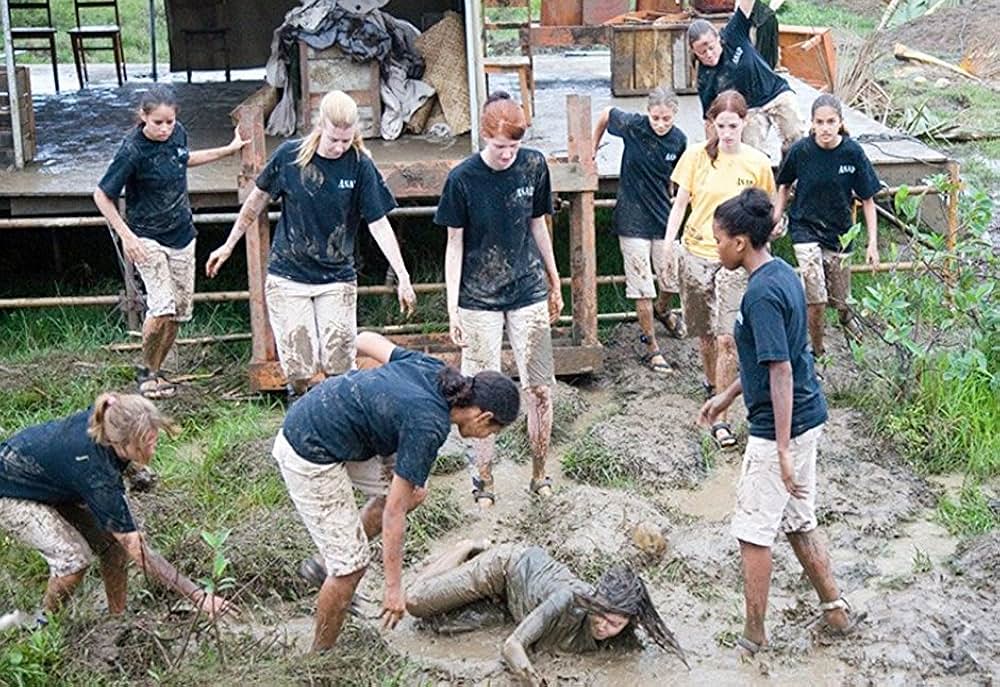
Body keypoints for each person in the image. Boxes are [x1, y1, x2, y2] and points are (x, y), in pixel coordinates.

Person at [270, 331, 521, 651]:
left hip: (330, 418)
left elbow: (364, 339)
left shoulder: (436, 371)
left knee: (415, 491)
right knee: (350, 569)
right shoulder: (429, 425)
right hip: (308, 449)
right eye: (491, 431)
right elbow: (393, 512)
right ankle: (319, 659)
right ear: (483, 415)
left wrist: (358, 389)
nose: (484, 437)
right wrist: (393, 588)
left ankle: (322, 563)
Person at [699, 188, 865, 660]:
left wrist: (784, 450)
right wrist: (726, 396)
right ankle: (835, 610)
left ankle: (754, 634)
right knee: (797, 519)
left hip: (780, 430)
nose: (716, 248)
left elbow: (782, 371)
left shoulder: (762, 294)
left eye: (719, 240)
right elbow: (770, 356)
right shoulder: (783, 274)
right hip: (805, 417)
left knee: (753, 532)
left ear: (740, 244)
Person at [206, 90, 417, 398]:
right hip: (289, 274)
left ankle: (342, 425)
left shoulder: (359, 165)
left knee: (339, 362)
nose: (339, 147)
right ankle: (302, 413)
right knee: (300, 367)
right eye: (333, 139)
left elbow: (378, 222)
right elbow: (255, 201)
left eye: (346, 141)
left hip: (337, 275)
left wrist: (402, 275)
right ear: (321, 127)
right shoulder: (290, 156)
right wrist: (228, 244)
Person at [435, 91, 563, 507]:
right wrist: (452, 303)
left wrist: (554, 276)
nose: (507, 154)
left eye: (513, 146)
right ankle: (483, 479)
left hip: (527, 287)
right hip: (477, 295)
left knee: (541, 387)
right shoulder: (462, 179)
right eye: (499, 146)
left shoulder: (534, 165)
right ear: (484, 139)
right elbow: (454, 244)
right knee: (479, 391)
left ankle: (540, 472)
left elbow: (538, 223)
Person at [0, 394, 233, 620]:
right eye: (146, 445)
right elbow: (138, 551)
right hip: (10, 491)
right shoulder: (97, 472)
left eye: (154, 440)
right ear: (119, 444)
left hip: (53, 479)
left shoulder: (113, 413)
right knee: (73, 560)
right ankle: (44, 624)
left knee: (113, 546)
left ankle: (117, 618)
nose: (153, 450)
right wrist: (198, 596)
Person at [94, 86, 248, 399]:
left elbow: (184, 159)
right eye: (158, 123)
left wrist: (229, 149)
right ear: (143, 117)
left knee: (178, 311)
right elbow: (102, 194)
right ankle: (145, 374)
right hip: (146, 236)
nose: (165, 129)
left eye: (170, 121)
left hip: (181, 233)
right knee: (161, 307)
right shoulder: (132, 151)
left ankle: (156, 371)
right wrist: (128, 237)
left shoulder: (178, 134)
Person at [405, 539, 688, 685]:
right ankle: (465, 547)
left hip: (511, 607)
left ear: (628, 621)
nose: (603, 626)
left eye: (614, 623)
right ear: (595, 601)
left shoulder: (621, 633)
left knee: (440, 625)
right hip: (504, 569)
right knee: (416, 604)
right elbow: (512, 645)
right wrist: (532, 681)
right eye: (601, 614)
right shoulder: (568, 599)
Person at [664, 90, 775, 450]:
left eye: (733, 125)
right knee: (705, 334)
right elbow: (681, 203)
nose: (727, 132)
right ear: (711, 124)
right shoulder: (696, 156)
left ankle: (723, 416)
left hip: (736, 260)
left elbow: (765, 212)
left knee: (728, 337)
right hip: (697, 252)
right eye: (721, 125)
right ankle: (712, 384)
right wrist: (669, 243)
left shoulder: (757, 163)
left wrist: (763, 255)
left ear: (745, 123)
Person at [773, 94, 881, 357]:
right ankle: (818, 351)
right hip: (805, 227)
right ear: (811, 124)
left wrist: (872, 243)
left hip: (840, 230)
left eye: (830, 121)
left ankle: (845, 317)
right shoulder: (802, 151)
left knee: (840, 298)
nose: (825, 128)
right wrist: (776, 216)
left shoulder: (852, 152)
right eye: (819, 122)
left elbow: (867, 199)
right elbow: (784, 183)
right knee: (816, 297)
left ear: (840, 123)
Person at [592, 86, 689, 373]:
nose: (660, 124)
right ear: (648, 113)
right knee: (641, 284)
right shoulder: (633, 125)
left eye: (666, 119)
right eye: (656, 117)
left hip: (661, 217)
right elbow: (606, 114)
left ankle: (664, 310)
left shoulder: (679, 141)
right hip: (632, 218)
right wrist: (592, 148)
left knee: (671, 275)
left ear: (674, 115)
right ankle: (651, 346)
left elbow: (678, 176)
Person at [688, 0, 803, 155]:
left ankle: (790, 174)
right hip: (750, 110)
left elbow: (746, 4)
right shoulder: (705, 78)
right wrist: (711, 152)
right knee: (749, 152)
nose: (709, 54)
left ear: (718, 39)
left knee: (796, 135)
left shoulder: (733, 33)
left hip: (776, 92)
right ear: (695, 52)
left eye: (711, 47)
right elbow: (710, 119)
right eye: (702, 52)